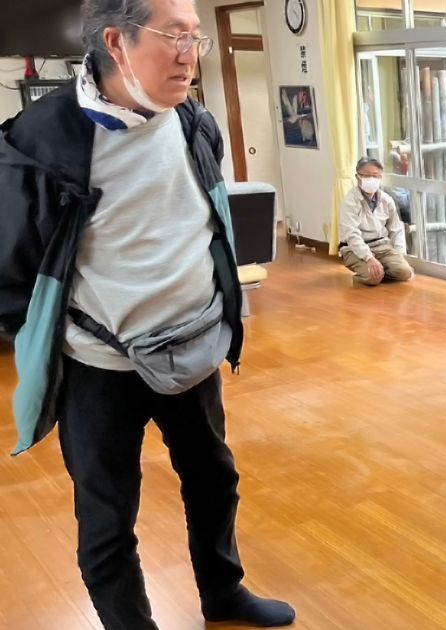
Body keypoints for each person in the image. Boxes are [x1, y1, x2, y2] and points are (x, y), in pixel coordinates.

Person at [0, 0, 295, 628]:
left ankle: (224, 592)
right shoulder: (41, 140)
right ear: (116, 41)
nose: (190, 53)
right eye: (174, 36)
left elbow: (207, 222)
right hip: (100, 364)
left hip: (192, 345)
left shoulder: (192, 119)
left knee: (214, 480)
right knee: (107, 516)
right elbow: (11, 271)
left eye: (196, 37)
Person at [339, 157, 414, 286]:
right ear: (358, 177)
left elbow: (396, 229)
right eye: (367, 175)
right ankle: (369, 275)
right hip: (354, 249)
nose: (371, 179)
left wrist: (399, 254)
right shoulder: (350, 201)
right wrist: (369, 258)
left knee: (405, 273)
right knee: (373, 278)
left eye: (375, 176)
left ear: (380, 178)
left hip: (382, 246)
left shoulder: (387, 200)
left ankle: (380, 272)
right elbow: (352, 235)